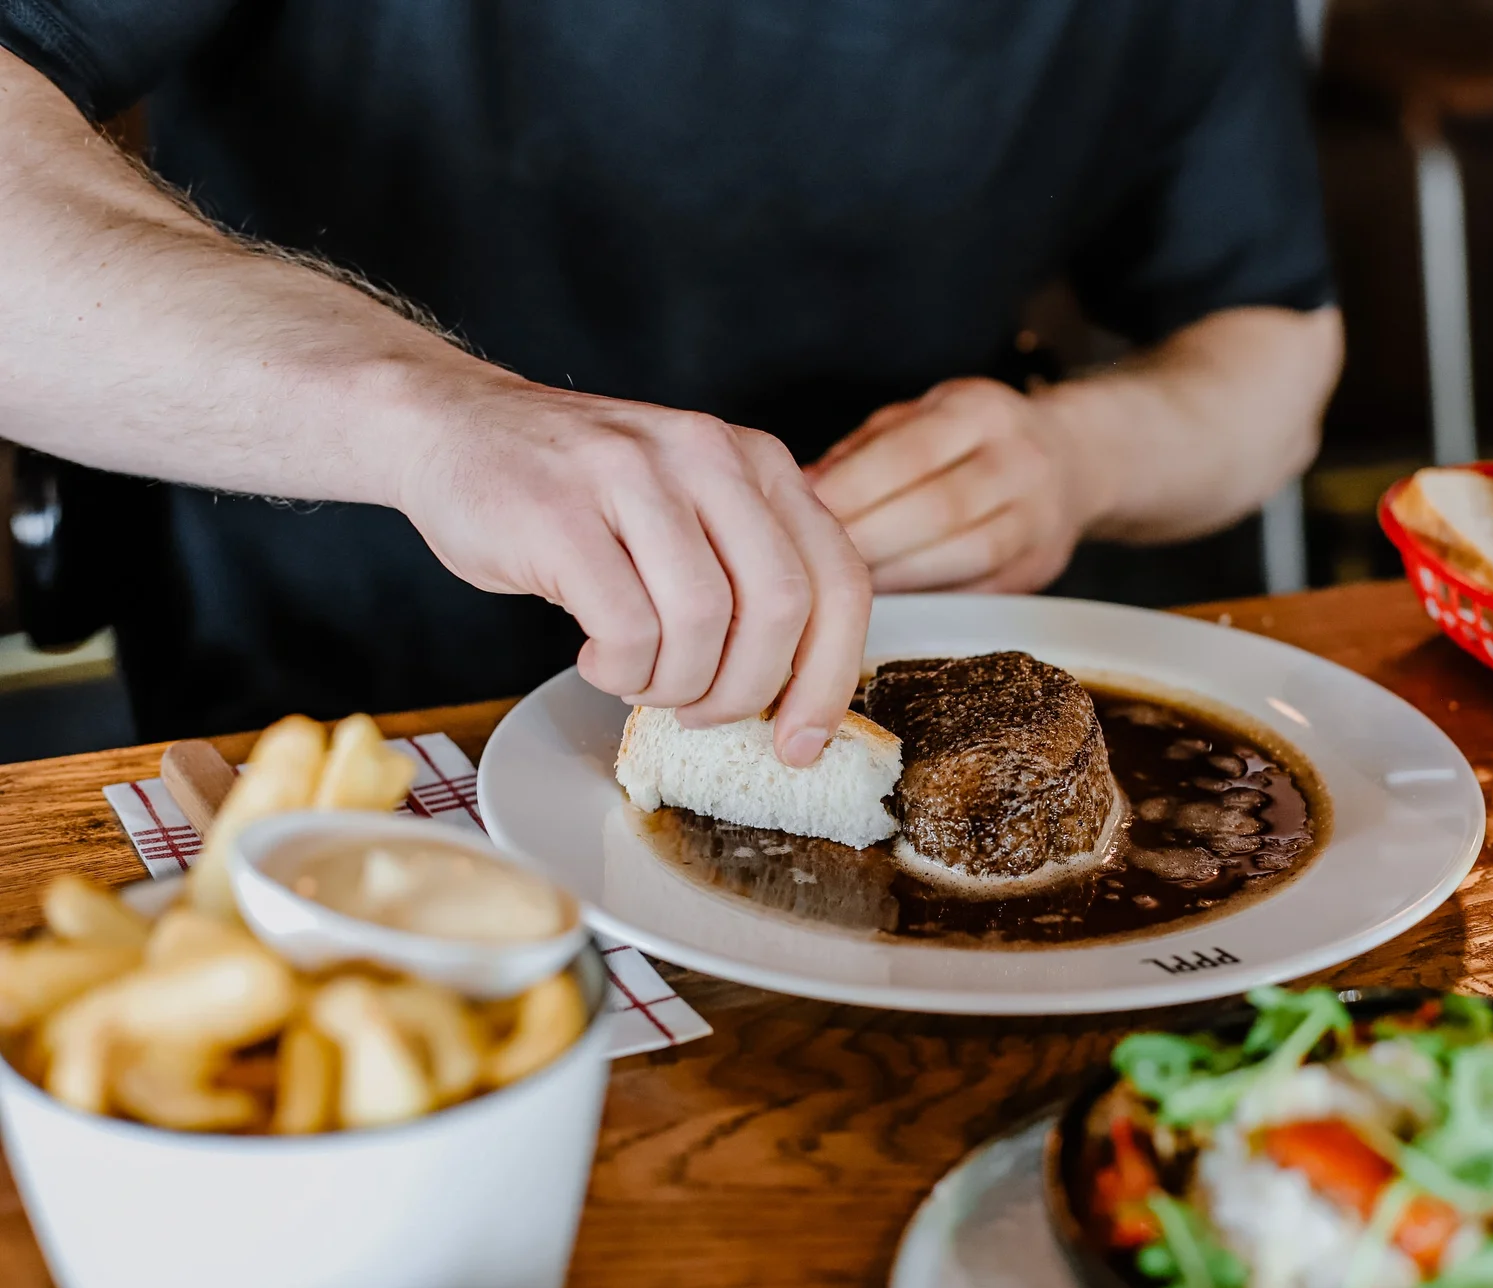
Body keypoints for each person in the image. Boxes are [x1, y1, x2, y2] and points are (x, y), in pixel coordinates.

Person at [0, 1, 1343, 765]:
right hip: (348, 735)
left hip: (879, 750)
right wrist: (430, 416)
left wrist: (1075, 459)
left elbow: (1272, 345)